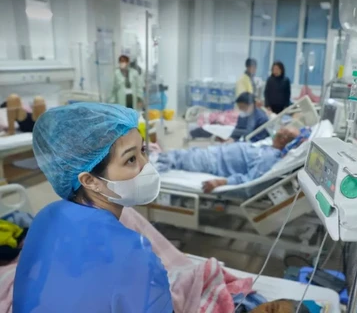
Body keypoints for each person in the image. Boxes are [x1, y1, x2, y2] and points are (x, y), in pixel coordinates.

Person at [13, 103, 173, 312]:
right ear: (89, 180)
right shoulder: (134, 254)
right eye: (131, 159)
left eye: (143, 150)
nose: (146, 166)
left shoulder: (45, 216)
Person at [152, 127, 300, 193]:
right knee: (180, 154)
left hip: (214, 163)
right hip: (215, 153)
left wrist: (220, 182)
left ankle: (148, 167)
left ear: (284, 139)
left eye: (283, 130)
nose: (279, 129)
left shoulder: (269, 159)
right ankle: (151, 158)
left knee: (176, 158)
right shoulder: (269, 148)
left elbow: (249, 181)